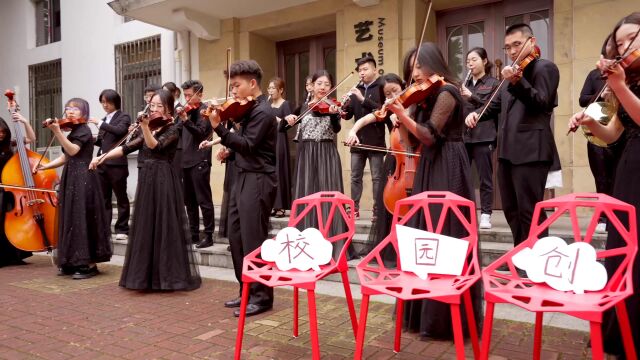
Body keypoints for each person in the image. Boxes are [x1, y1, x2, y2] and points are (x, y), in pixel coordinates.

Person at [386, 42, 480, 340]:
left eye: (417, 66)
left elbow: (429, 136)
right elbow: (411, 142)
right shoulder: (424, 97)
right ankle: (422, 314)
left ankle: (445, 319)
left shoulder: (448, 92)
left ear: (433, 63)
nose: (413, 73)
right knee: (424, 233)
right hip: (429, 165)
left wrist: (406, 114)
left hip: (449, 165)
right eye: (410, 68)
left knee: (446, 233)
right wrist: (400, 118)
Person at [568, 12, 640, 357]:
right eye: (619, 43)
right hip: (631, 166)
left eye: (629, 40)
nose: (623, 48)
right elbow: (615, 133)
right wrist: (590, 122)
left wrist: (620, 86)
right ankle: (620, 333)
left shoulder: (626, 81)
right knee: (624, 247)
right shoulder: (628, 79)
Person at [90, 89, 201, 291]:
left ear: (169, 109)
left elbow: (155, 146)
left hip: (164, 179)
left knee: (165, 225)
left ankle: (168, 276)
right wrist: (102, 157)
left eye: (160, 106)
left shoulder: (173, 128)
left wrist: (145, 127)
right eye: (152, 105)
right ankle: (146, 276)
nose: (155, 109)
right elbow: (126, 147)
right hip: (147, 178)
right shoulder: (147, 127)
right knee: (146, 224)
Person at [465, 23, 560, 247]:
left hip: (532, 150)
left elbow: (542, 102)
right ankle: (522, 254)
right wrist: (477, 114)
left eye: (517, 44)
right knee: (511, 209)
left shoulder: (545, 68)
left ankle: (539, 256)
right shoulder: (510, 76)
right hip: (507, 151)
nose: (512, 51)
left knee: (530, 210)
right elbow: (494, 105)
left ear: (532, 42)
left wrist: (518, 81)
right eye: (507, 47)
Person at [208, 60, 277, 317]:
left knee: (254, 239)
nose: (233, 91)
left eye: (236, 85)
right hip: (243, 175)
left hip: (259, 180)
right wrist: (230, 151)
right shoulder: (246, 110)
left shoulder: (264, 112)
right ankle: (246, 290)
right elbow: (243, 147)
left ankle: (262, 297)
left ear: (252, 83)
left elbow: (248, 144)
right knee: (236, 238)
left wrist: (218, 127)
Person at [34, 98, 111, 279]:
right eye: (68, 109)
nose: (70, 112)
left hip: (83, 178)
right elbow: (65, 157)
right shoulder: (75, 130)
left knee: (82, 219)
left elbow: (73, 150)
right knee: (71, 218)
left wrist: (57, 131)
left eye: (75, 109)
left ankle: (88, 264)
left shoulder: (83, 130)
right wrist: (44, 166)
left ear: (83, 112)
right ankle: (71, 261)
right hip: (72, 177)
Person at [286, 70, 356, 259]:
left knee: (328, 196)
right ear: (312, 85)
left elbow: (336, 128)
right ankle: (305, 247)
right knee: (307, 195)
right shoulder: (303, 106)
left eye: (327, 84)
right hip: (307, 154)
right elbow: (283, 127)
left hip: (326, 154)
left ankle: (332, 245)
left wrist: (334, 115)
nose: (323, 87)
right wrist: (288, 120)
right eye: (319, 83)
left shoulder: (333, 106)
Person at [345, 73, 405, 259]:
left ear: (403, 86)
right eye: (387, 94)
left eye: (395, 91)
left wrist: (404, 116)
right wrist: (353, 130)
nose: (391, 97)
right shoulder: (387, 108)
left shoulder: (415, 105)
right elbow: (366, 119)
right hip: (398, 161)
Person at [578, 36, 620, 234]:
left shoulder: (620, 76)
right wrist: (599, 97)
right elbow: (582, 99)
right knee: (601, 177)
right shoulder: (594, 76)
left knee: (616, 176)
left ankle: (616, 216)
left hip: (618, 129)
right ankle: (603, 216)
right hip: (597, 129)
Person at [460, 47, 500, 230]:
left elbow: (494, 107)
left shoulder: (493, 83)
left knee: (485, 178)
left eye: (474, 59)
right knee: (463, 177)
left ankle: (485, 214)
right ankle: (465, 212)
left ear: (484, 61)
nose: (470, 63)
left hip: (484, 137)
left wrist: (472, 97)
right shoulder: (464, 84)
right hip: (465, 137)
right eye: (468, 61)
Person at [342, 56, 384, 220]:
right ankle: (354, 208)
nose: (362, 73)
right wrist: (343, 110)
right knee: (355, 177)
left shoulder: (382, 87)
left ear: (375, 69)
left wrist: (362, 99)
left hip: (376, 140)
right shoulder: (356, 88)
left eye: (365, 69)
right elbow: (349, 115)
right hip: (357, 140)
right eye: (360, 70)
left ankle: (377, 209)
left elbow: (382, 110)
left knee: (377, 177)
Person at [89, 89, 131, 241]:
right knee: (104, 198)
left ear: (115, 102)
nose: (105, 105)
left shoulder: (123, 116)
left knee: (121, 197)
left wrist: (100, 123)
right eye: (103, 102)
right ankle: (104, 228)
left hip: (117, 164)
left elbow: (120, 131)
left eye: (108, 102)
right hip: (102, 162)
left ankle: (122, 229)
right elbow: (102, 141)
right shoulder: (104, 119)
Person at [179, 80, 214, 248]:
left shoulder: (205, 111)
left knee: (204, 200)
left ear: (199, 94)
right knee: (190, 202)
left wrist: (186, 120)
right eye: (184, 95)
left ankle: (208, 235)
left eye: (189, 95)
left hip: (200, 160)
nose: (186, 98)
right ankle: (193, 234)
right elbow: (177, 131)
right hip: (185, 161)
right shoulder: (186, 111)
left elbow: (201, 133)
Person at [0, 114, 36, 267]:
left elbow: (31, 138)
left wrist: (25, 121)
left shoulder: (12, 144)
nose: (1, 134)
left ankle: (14, 255)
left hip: (12, 190)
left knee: (12, 223)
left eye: (3, 132)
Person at [268, 77, 293, 218]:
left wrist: (276, 119)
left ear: (281, 90)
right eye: (269, 88)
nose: (270, 91)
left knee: (278, 171)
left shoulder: (285, 104)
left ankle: (280, 206)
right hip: (268, 141)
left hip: (280, 140)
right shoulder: (267, 105)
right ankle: (271, 204)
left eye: (273, 88)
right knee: (269, 172)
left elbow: (287, 125)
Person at [163, 82, 184, 183]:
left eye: (166, 92)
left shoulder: (181, 108)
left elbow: (180, 127)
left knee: (176, 177)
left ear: (174, 93)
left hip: (177, 147)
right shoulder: (166, 109)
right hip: (165, 147)